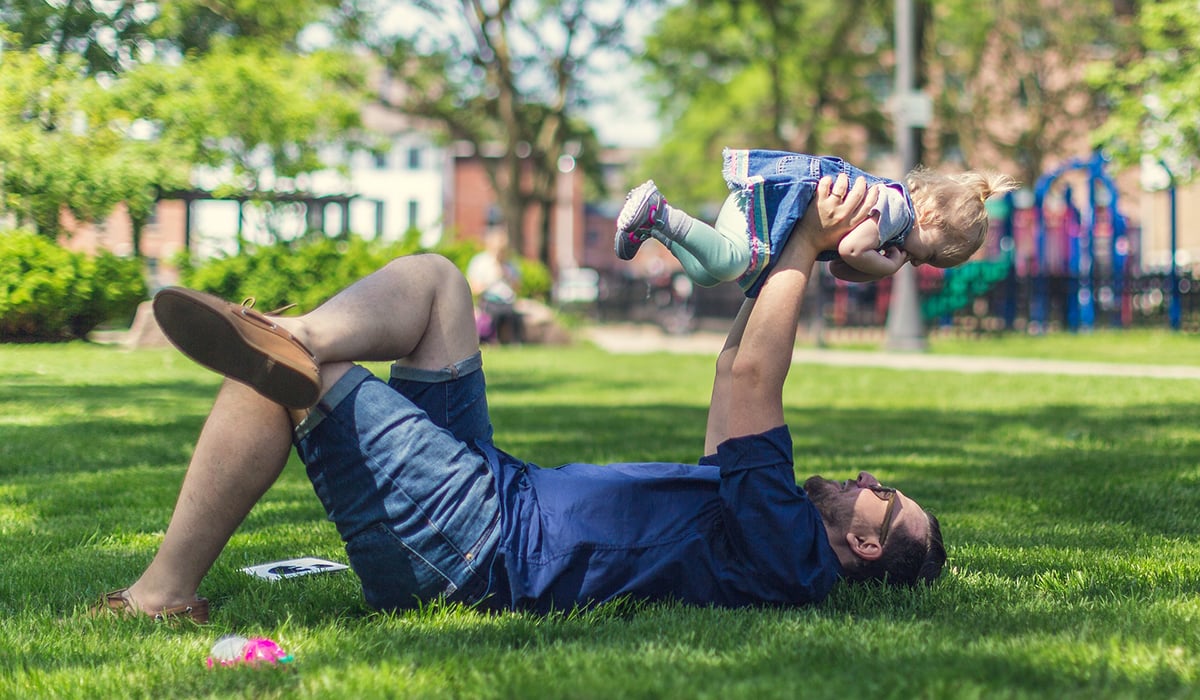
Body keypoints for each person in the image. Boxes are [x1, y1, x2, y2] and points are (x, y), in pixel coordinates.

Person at [92, 173, 944, 624]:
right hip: (495, 492)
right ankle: (299, 335)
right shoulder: (762, 521)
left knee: (291, 385)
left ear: (867, 544)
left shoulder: (789, 555)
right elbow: (734, 373)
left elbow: (760, 378)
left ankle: (164, 593)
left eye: (884, 492)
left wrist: (806, 238)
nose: (868, 478)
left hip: (477, 549)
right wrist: (805, 252)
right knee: (437, 286)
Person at [615, 147, 1018, 296]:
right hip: (771, 205)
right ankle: (660, 210)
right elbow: (850, 249)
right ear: (928, 215)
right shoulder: (896, 210)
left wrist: (875, 269)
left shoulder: (887, 228)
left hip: (761, 208)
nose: (914, 261)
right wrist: (889, 265)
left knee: (706, 274)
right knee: (728, 263)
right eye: (926, 253)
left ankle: (653, 227)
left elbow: (844, 267)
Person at [466, 227, 524, 344]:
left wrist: (507, 276)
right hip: (488, 301)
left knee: (513, 315)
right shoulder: (480, 262)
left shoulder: (511, 264)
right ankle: (491, 340)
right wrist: (492, 280)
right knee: (495, 315)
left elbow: (518, 289)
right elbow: (473, 289)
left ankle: (514, 342)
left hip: (507, 302)